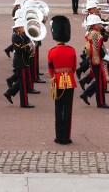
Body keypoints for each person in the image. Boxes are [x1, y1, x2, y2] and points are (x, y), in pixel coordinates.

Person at [47, 16, 76, 145]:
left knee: (58, 109)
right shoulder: (71, 50)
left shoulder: (52, 52)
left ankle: (59, 136)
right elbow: (74, 67)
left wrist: (55, 76)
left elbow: (50, 69)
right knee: (68, 109)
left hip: (57, 81)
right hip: (69, 80)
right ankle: (66, 136)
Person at [79, 14, 109, 108]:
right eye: (99, 23)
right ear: (95, 24)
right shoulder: (95, 34)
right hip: (96, 60)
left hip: (95, 59)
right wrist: (99, 60)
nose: (101, 24)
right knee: (100, 81)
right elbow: (95, 49)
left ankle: (86, 94)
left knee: (99, 80)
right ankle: (100, 102)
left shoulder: (93, 32)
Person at [3, 18, 34, 108]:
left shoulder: (22, 34)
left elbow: (27, 40)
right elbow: (18, 49)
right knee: (23, 83)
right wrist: (28, 46)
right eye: (23, 26)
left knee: (22, 81)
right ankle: (24, 103)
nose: (24, 28)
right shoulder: (16, 36)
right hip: (20, 62)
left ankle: (9, 93)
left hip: (24, 61)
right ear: (18, 28)